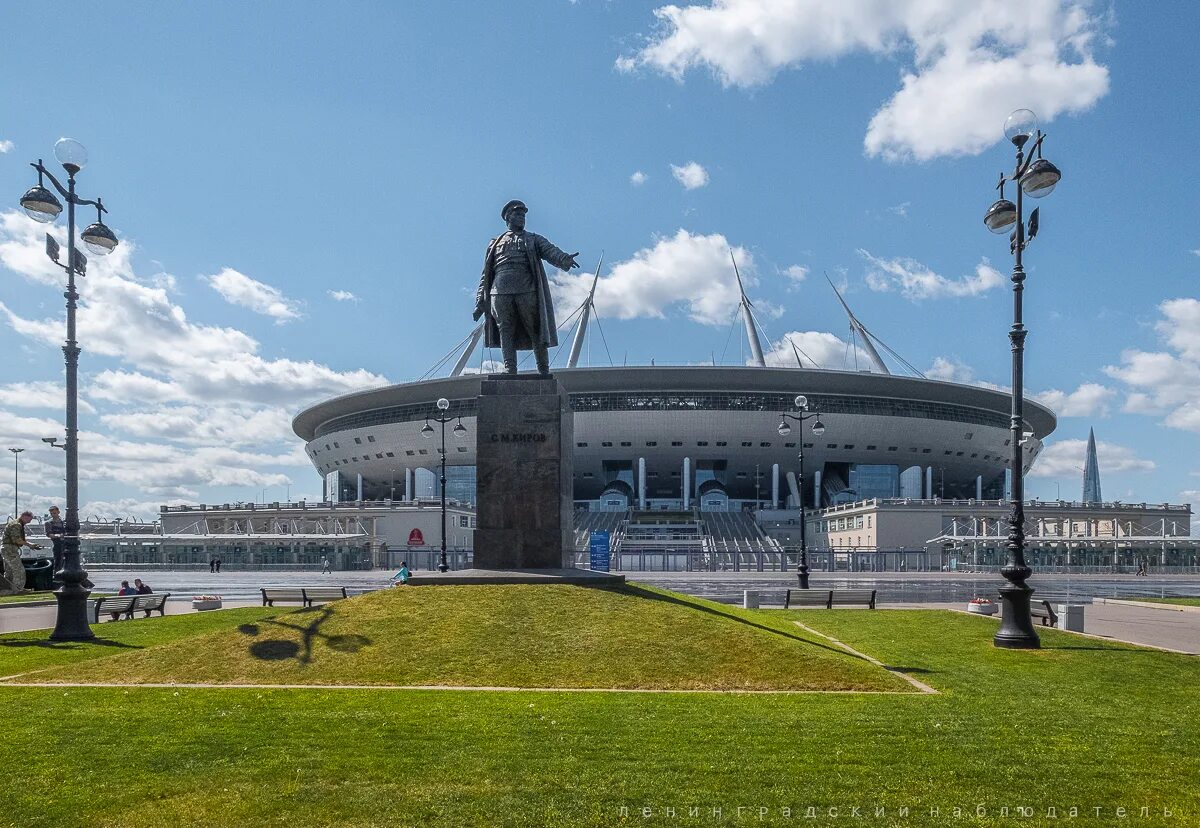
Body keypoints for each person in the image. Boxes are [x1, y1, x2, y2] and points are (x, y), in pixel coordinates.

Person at [473, 200, 578, 375]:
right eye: (517, 214)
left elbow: (551, 251)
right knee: (505, 330)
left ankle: (543, 369)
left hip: (526, 289)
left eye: (523, 215)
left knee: (535, 328)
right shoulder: (494, 243)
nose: (522, 218)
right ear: (508, 218)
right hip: (499, 291)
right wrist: (479, 302)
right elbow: (486, 274)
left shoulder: (533, 239)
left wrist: (564, 259)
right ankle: (510, 368)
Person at [1, 511, 43, 593]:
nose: (30, 521)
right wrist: (29, 545)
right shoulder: (17, 525)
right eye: (29, 519)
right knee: (19, 570)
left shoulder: (16, 524)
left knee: (9, 571)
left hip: (7, 548)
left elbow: (19, 539)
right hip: (10, 549)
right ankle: (18, 589)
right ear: (24, 516)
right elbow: (17, 539)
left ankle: (8, 589)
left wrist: (30, 544)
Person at [46, 505, 65, 583]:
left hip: (65, 543)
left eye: (54, 513)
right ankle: (57, 576)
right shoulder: (49, 523)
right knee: (57, 559)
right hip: (57, 544)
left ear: (58, 512)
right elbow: (49, 534)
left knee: (66, 559)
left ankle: (64, 575)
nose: (53, 515)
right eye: (51, 513)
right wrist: (58, 536)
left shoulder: (63, 522)